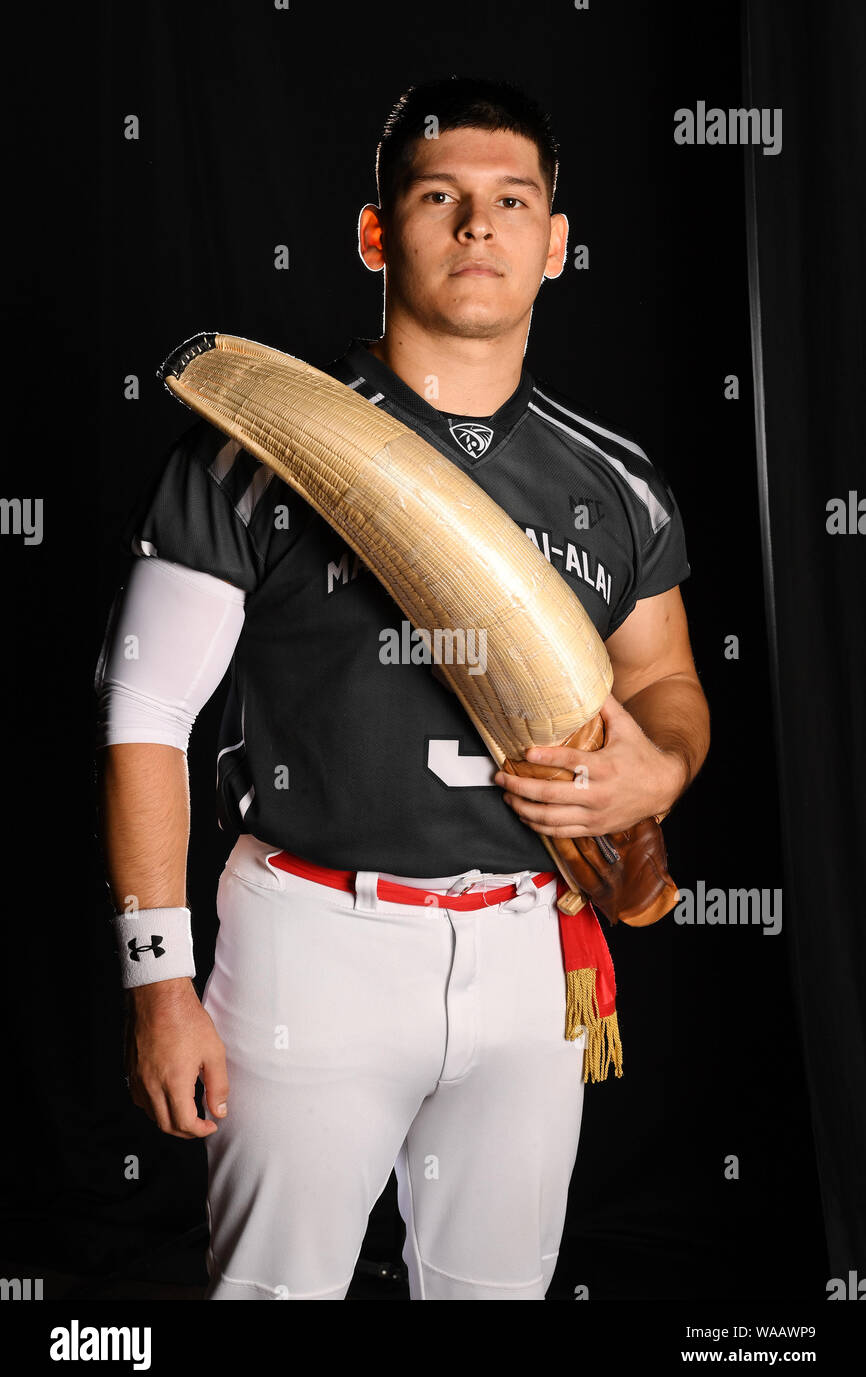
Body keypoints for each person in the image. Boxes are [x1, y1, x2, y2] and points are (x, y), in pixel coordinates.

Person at [95, 74, 710, 1301]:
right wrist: (158, 981)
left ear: (554, 245)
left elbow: (665, 679)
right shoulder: (251, 448)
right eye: (439, 197)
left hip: (533, 955)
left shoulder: (619, 480)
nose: (478, 227)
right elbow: (145, 715)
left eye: (510, 201)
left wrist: (665, 762)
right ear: (377, 233)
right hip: (310, 942)